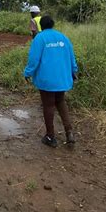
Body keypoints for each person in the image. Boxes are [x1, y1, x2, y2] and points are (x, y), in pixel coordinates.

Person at [24, 15, 77, 147]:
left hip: (47, 79)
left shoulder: (40, 38)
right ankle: (69, 132)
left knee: (48, 105)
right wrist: (74, 71)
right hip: (62, 77)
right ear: (53, 24)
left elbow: (34, 59)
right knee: (60, 102)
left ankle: (50, 137)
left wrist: (28, 72)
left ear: (41, 25)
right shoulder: (63, 37)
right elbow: (71, 56)